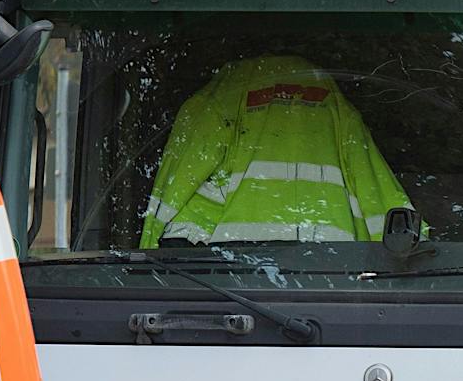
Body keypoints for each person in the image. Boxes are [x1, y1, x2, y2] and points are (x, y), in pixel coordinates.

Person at [142, 54, 413, 248]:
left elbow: (175, 184)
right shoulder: (332, 98)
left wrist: (146, 257)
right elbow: (379, 192)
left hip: (229, 286)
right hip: (330, 283)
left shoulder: (222, 93)